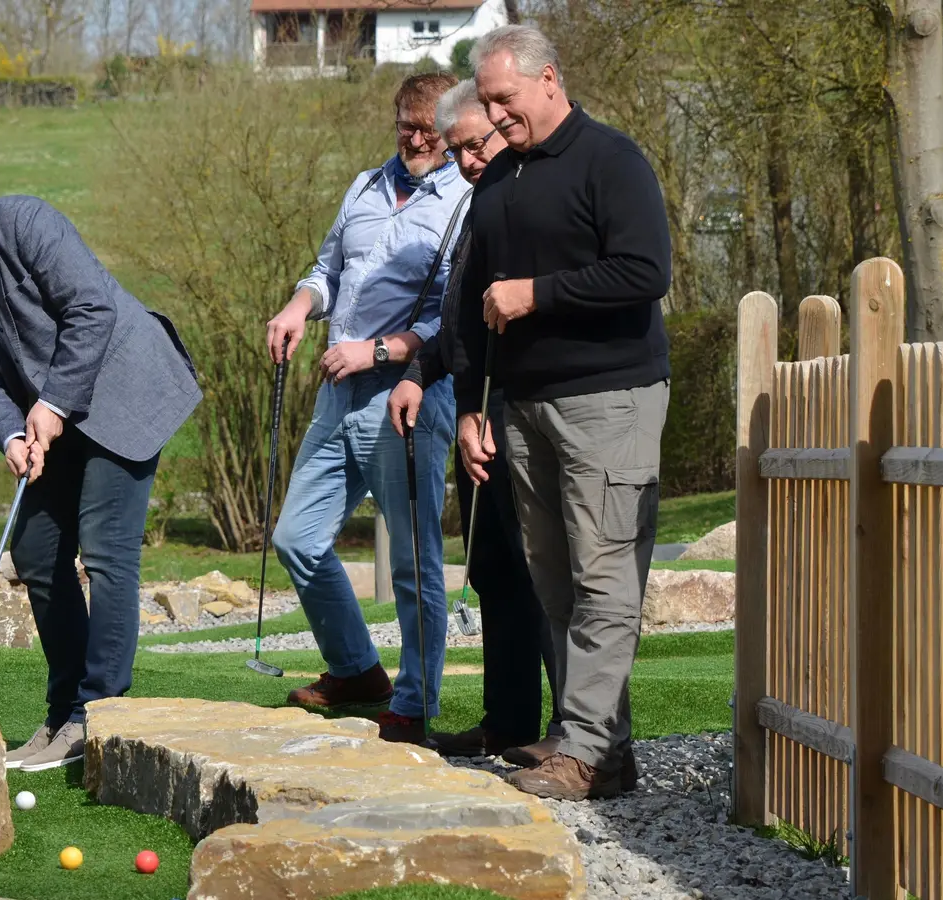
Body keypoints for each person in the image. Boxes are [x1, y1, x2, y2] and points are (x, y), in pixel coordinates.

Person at [0, 168, 202, 772]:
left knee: (106, 550)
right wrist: (11, 433)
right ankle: (63, 712)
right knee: (36, 550)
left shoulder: (24, 221)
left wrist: (50, 404)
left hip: (123, 390)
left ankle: (98, 715)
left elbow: (92, 309)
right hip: (53, 415)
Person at [454, 25, 672, 800]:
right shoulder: (497, 178)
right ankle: (597, 745)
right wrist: (471, 407)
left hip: (609, 399)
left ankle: (586, 751)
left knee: (605, 578)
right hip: (521, 407)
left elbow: (645, 271)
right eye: (486, 102)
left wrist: (538, 294)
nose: (494, 115)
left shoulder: (611, 160)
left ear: (548, 79)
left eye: (503, 98)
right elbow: (471, 300)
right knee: (555, 582)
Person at [264, 72, 467, 745]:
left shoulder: (465, 199)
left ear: (450, 129)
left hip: (409, 394)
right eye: (408, 126)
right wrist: (298, 307)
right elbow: (327, 271)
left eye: (430, 130)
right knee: (296, 538)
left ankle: (414, 700)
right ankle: (356, 670)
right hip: (337, 393)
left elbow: (453, 318)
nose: (418, 140)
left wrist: (376, 351)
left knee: (412, 560)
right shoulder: (364, 186)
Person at [386, 79, 562, 761]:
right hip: (480, 410)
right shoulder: (480, 202)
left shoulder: (528, 194)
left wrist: (493, 406)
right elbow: (461, 317)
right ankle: (508, 721)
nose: (465, 161)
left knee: (542, 569)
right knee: (494, 565)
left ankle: (574, 733)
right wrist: (420, 373)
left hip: (531, 408)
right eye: (456, 150)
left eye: (474, 145)